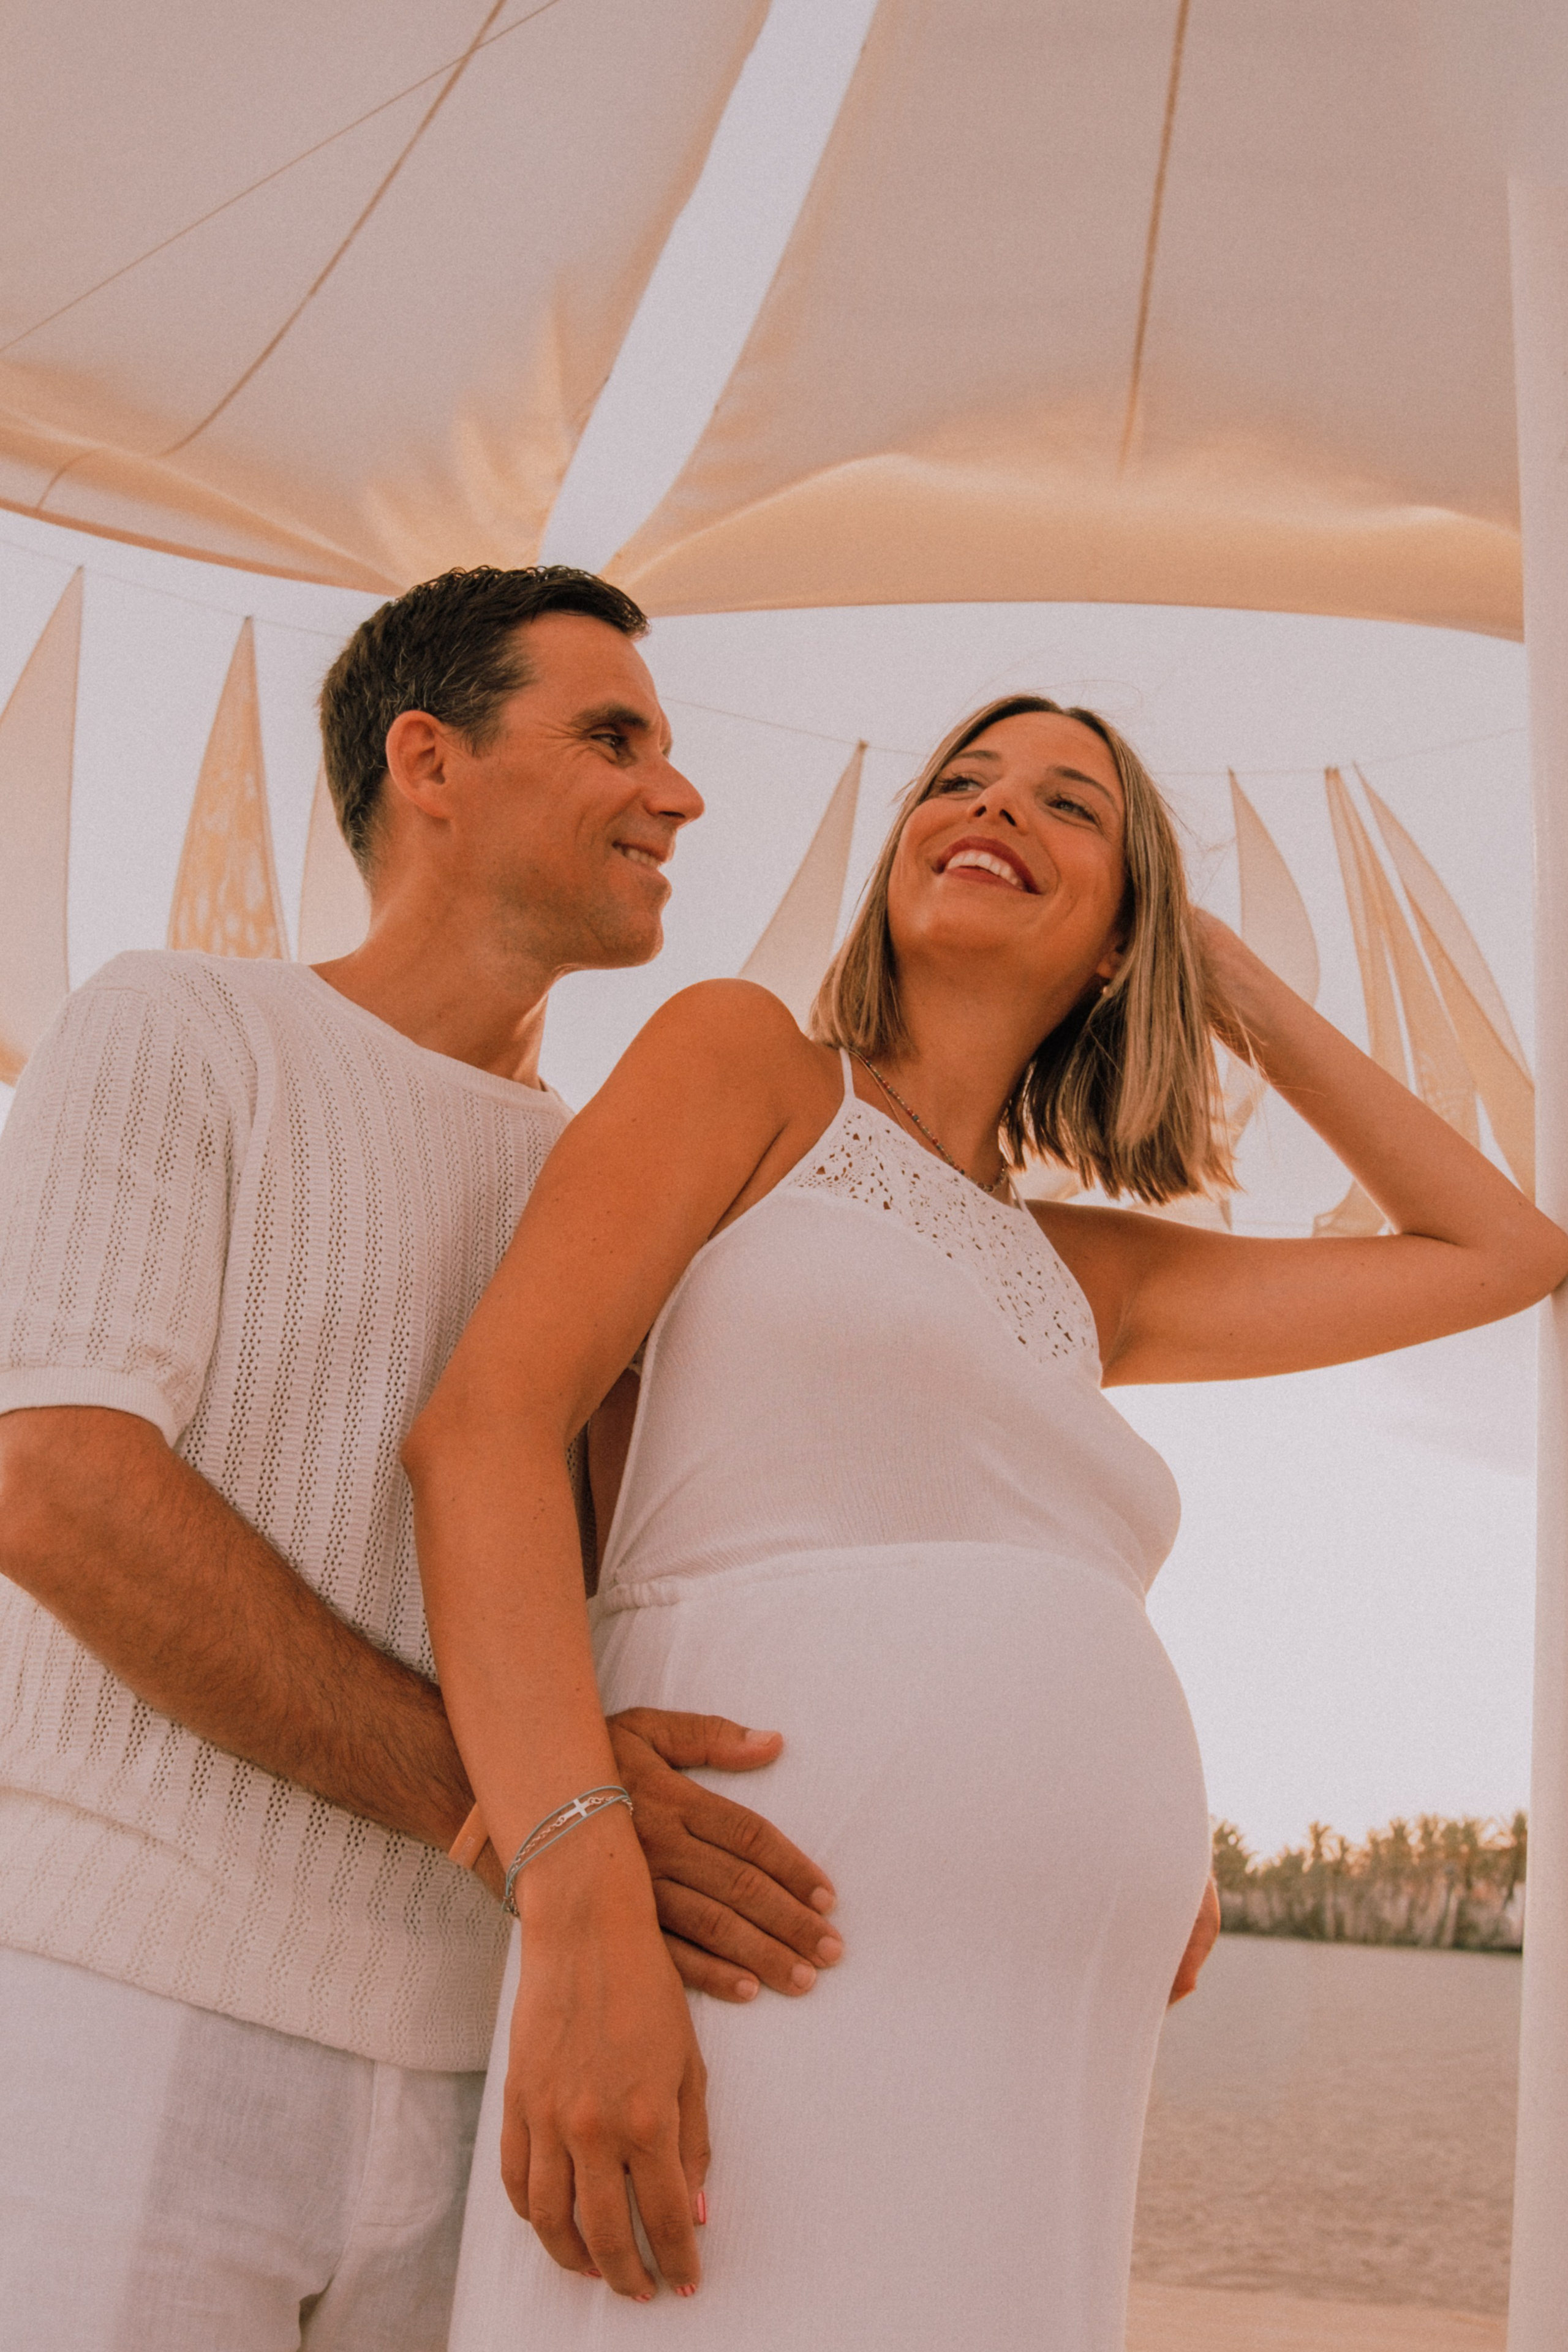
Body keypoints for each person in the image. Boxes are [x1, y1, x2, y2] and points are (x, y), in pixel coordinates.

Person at [405, 693, 1568, 2351]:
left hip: (1043, 2030)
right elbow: (484, 1431)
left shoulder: (1092, 1274)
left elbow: (1502, 1252)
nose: (999, 807)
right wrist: (571, 1871)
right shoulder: (748, 1066)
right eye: (962, 780)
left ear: (1121, 940)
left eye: (1070, 808)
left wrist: (1220, 975)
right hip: (757, 1934)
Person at [0, 567, 851, 2351]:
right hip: (111, 2005)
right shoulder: (181, 1027)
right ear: (430, 762)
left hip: (497, 2086)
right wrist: (534, 1818)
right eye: (612, 737)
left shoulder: (621, 1197)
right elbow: (55, 1481)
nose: (678, 795)